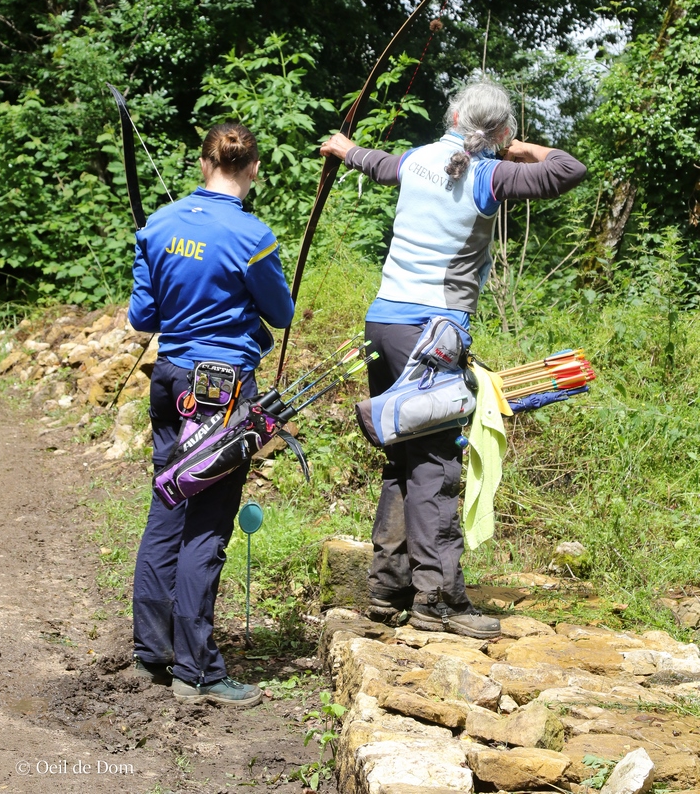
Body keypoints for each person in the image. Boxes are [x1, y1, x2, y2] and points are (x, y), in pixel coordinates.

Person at [320, 80, 587, 638]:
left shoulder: (417, 160)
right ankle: (438, 600)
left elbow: (378, 164)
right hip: (431, 335)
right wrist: (519, 147)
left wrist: (346, 149)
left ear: (453, 116)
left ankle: (388, 588)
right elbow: (568, 169)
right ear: (500, 132)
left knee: (402, 453)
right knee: (436, 466)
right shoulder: (490, 174)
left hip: (383, 324)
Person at [128, 122, 294, 705]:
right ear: (253, 170)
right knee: (207, 521)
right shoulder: (253, 235)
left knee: (169, 504)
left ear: (204, 164)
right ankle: (195, 668)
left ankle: (153, 650)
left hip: (171, 379)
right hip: (221, 391)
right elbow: (281, 313)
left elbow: (142, 316)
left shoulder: (158, 226)